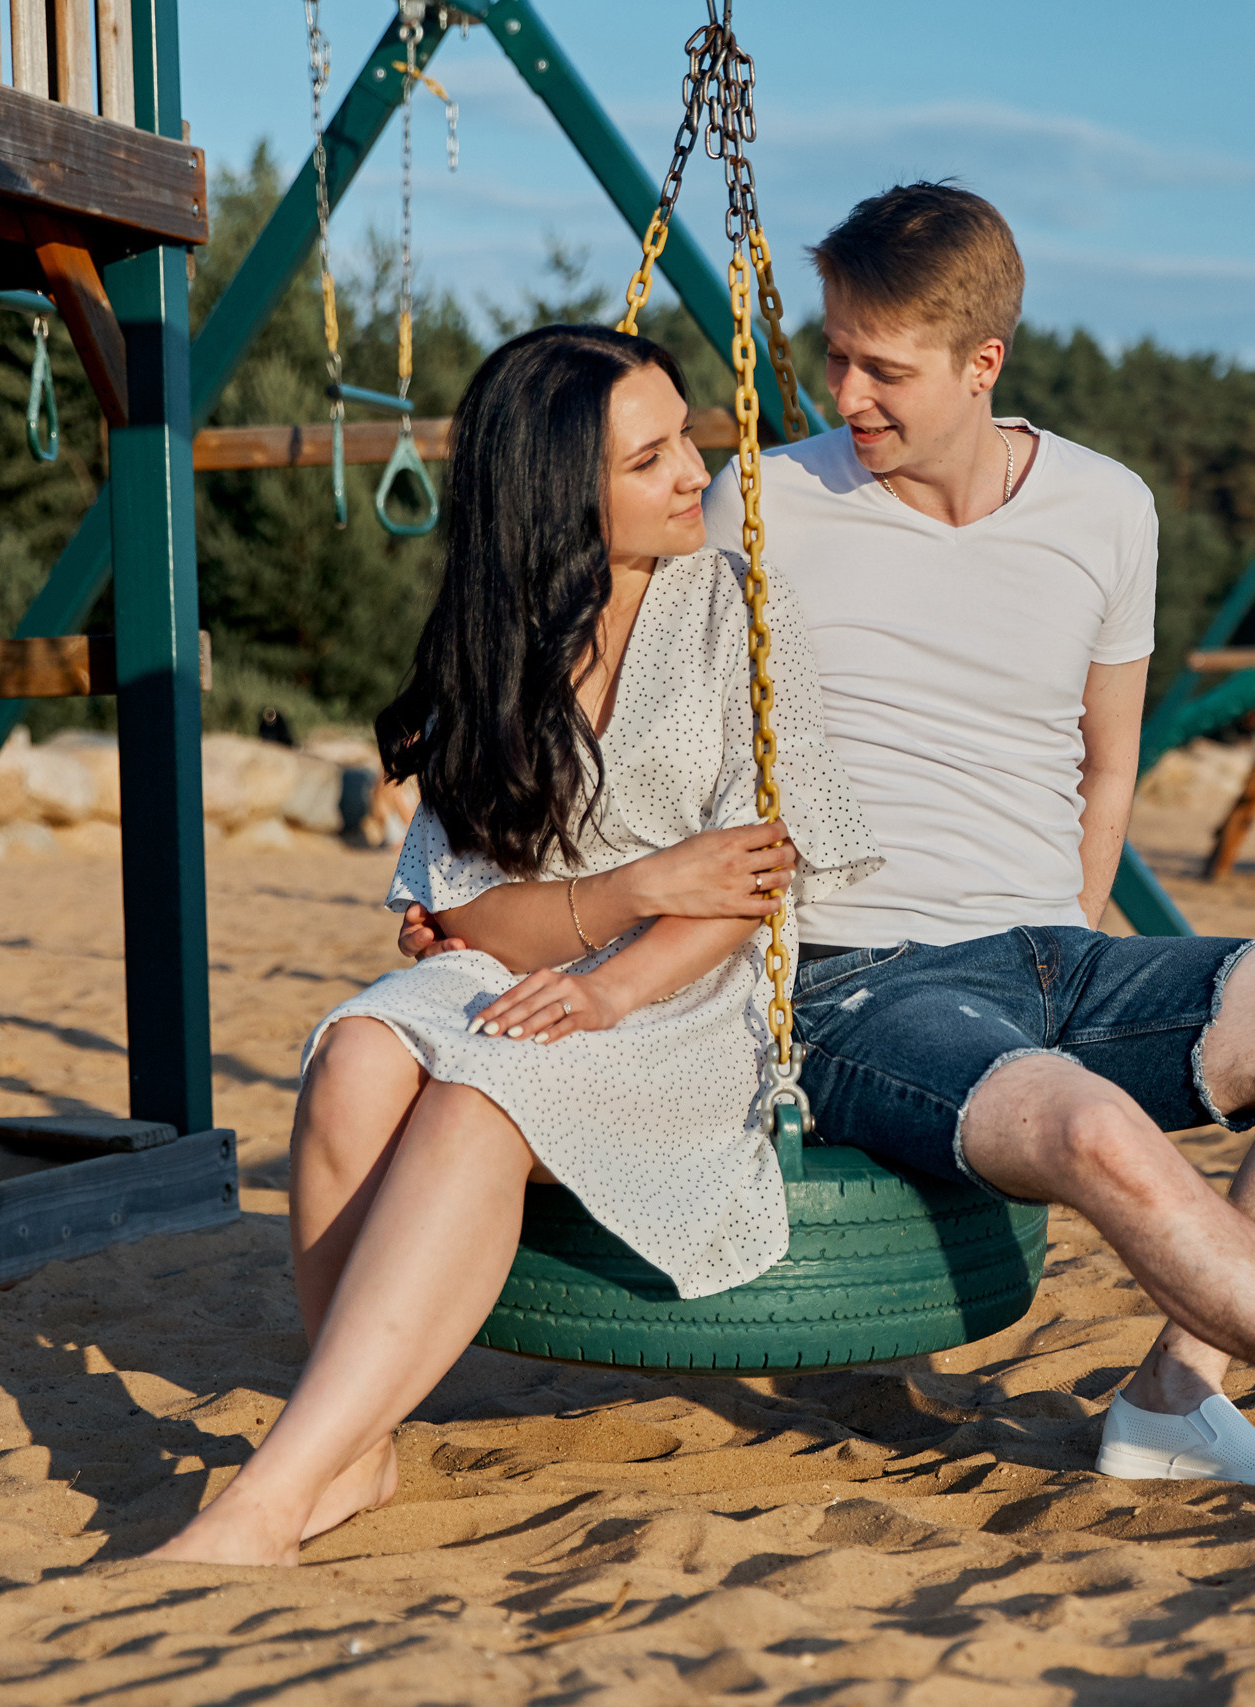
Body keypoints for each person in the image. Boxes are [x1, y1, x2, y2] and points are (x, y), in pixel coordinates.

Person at [401, 185, 1255, 1530]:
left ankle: (1175, 1394)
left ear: (985, 362)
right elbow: (580, 653)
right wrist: (485, 885)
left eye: (883, 366)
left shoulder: (1109, 508)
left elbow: (1107, 761)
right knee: (1092, 1125)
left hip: (1056, 949)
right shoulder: (758, 505)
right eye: (833, 353)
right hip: (862, 981)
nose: (842, 390)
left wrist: (1071, 936)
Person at [148, 325, 877, 1565]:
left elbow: (751, 874)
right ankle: (357, 1446)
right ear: (560, 497)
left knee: (475, 1099)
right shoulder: (497, 645)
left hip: (686, 1002)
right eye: (648, 461)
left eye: (685, 440)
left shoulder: (739, 613)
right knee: (355, 1058)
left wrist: (610, 977)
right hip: (522, 973)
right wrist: (638, 882)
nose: (691, 474)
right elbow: (462, 908)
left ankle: (267, 1497)